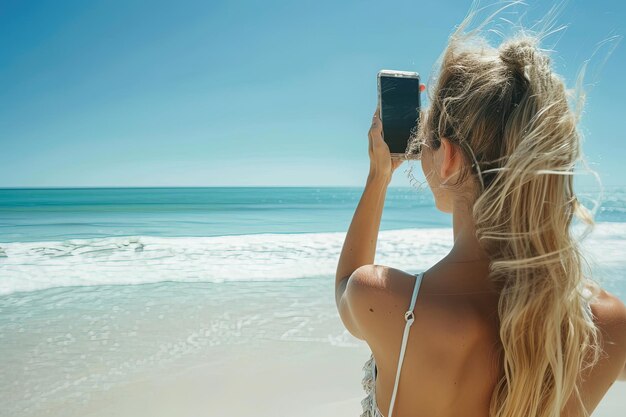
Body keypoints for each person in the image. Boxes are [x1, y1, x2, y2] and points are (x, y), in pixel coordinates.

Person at [334, 5, 626, 417]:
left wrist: (379, 174)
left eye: (428, 141)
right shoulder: (606, 325)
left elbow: (344, 285)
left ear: (448, 159)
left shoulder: (388, 304)